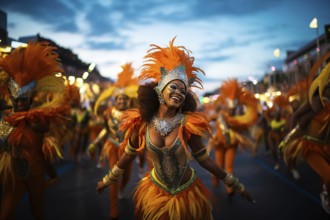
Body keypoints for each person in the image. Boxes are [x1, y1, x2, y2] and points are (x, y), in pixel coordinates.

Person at [95, 38, 255, 220]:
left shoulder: (188, 124)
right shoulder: (142, 122)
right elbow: (128, 155)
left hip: (187, 193)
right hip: (155, 192)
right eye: (174, 87)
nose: (178, 92)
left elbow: (205, 161)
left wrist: (236, 185)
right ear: (159, 91)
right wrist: (108, 180)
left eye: (182, 90)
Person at [0, 42, 69, 220]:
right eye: (16, 99)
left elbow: (47, 132)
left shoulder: (39, 119)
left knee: (38, 211)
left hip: (35, 172)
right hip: (13, 174)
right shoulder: (4, 118)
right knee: (6, 213)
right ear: (11, 98)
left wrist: (30, 124)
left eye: (23, 100)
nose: (19, 103)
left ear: (30, 101)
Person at [88, 62, 139, 220]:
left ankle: (122, 189)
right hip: (112, 147)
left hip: (128, 149)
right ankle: (113, 208)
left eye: (125, 99)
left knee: (127, 176)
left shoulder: (133, 115)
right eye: (119, 99)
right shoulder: (109, 113)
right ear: (115, 100)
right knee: (114, 176)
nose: (122, 102)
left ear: (128, 101)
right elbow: (105, 130)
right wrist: (94, 143)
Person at [281, 61, 330, 214]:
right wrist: (289, 138)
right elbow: (296, 117)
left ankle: (325, 191)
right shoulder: (313, 102)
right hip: (310, 147)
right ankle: (325, 195)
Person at [207, 79, 258, 194]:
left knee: (229, 167)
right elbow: (207, 119)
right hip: (219, 143)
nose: (231, 110)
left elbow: (245, 124)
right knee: (219, 165)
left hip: (232, 143)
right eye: (230, 108)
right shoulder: (219, 115)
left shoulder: (238, 119)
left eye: (233, 109)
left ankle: (229, 187)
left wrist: (233, 123)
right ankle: (215, 179)